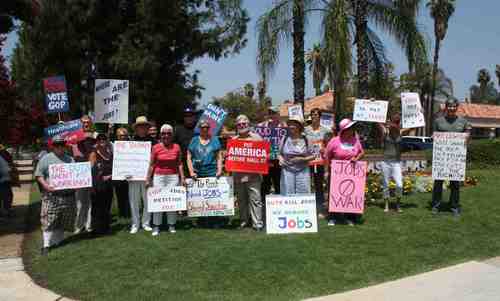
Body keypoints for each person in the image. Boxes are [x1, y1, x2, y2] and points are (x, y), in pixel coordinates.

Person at [34, 137, 76, 255]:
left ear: (65, 145)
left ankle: (59, 242)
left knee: (63, 219)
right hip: (52, 195)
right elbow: (39, 175)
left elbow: (76, 175)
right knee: (48, 219)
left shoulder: (70, 159)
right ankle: (46, 245)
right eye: (57, 145)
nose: (59, 147)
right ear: (53, 146)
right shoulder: (46, 159)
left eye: (61, 144)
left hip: (68, 195)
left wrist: (77, 184)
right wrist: (46, 186)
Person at [431, 99, 472, 216]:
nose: (452, 108)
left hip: (456, 158)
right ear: (446, 107)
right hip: (441, 157)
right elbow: (434, 134)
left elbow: (468, 133)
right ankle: (435, 205)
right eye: (449, 106)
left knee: (455, 184)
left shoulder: (463, 122)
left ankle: (454, 206)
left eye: (454, 106)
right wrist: (434, 136)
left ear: (457, 107)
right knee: (438, 183)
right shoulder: (438, 121)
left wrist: (468, 135)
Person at [324, 118, 365, 226]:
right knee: (334, 195)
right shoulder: (334, 141)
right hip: (336, 173)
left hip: (351, 174)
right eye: (350, 127)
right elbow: (327, 156)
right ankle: (333, 217)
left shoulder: (355, 140)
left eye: (352, 127)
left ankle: (349, 218)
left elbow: (362, 152)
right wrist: (326, 171)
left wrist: (356, 158)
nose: (352, 129)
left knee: (350, 195)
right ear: (344, 130)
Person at [146, 124, 185, 236]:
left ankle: (171, 225)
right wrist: (148, 179)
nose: (166, 135)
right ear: (160, 135)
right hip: (158, 177)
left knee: (171, 203)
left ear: (172, 135)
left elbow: (180, 164)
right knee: (157, 202)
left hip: (173, 177)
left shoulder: (177, 147)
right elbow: (152, 165)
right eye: (163, 133)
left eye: (168, 133)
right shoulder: (156, 147)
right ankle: (156, 226)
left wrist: (182, 178)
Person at [186, 120, 224, 228]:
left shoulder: (215, 139)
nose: (205, 129)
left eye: (207, 127)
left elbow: (219, 156)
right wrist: (191, 171)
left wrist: (220, 169)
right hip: (198, 173)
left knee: (213, 197)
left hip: (211, 172)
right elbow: (188, 156)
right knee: (199, 198)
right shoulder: (194, 140)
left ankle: (214, 220)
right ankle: (201, 220)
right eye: (203, 127)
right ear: (199, 128)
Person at [232, 115, 264, 231]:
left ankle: (257, 223)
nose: (242, 126)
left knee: (255, 200)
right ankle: (244, 221)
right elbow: (231, 159)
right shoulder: (233, 140)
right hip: (238, 176)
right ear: (236, 126)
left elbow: (264, 155)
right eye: (239, 124)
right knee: (241, 200)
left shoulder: (257, 138)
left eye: (244, 124)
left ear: (248, 125)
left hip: (254, 176)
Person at [377, 114, 411, 213]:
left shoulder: (401, 132)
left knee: (399, 184)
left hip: (396, 162)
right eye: (394, 121)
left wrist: (420, 113)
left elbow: (415, 125)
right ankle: (386, 205)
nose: (396, 123)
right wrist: (372, 104)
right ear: (390, 121)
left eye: (397, 121)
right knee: (386, 184)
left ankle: (398, 204)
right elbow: (375, 120)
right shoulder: (385, 131)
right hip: (385, 162)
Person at [129, 116, 156, 234]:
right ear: (136, 128)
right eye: (139, 126)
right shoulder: (130, 141)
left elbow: (155, 159)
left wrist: (150, 176)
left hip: (147, 176)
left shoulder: (154, 142)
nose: (142, 128)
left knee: (147, 201)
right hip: (133, 176)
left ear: (147, 128)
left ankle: (146, 223)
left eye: (144, 126)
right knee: (134, 201)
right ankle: (135, 224)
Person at [304, 108, 332, 213]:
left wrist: (324, 149)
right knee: (306, 184)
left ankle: (319, 209)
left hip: (320, 161)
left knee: (318, 185)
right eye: (312, 114)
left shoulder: (326, 130)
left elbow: (330, 145)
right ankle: (307, 208)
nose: (314, 116)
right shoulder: (305, 130)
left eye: (316, 114)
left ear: (320, 116)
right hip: (307, 161)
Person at [279, 117, 315, 195]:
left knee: (303, 194)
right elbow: (279, 154)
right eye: (290, 124)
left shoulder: (306, 139)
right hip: (287, 170)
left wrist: (302, 159)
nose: (291, 126)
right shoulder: (284, 138)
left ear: (299, 126)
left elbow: (314, 155)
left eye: (294, 124)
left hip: (303, 171)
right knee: (288, 193)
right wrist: (281, 160)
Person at [73, 115, 97, 234]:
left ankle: (88, 225)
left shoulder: (95, 135)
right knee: (79, 201)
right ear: (80, 123)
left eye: (88, 122)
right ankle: (79, 225)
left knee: (89, 201)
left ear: (91, 123)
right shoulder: (74, 136)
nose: (86, 124)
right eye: (83, 122)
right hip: (78, 172)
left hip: (91, 170)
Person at [258, 106, 286, 199]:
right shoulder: (261, 126)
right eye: (270, 113)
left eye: (273, 113)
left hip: (279, 160)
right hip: (266, 160)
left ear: (278, 114)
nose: (271, 115)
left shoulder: (283, 126)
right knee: (265, 184)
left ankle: (279, 205)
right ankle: (263, 205)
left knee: (278, 183)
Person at [89, 133, 114, 235]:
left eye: (104, 138)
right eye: (100, 139)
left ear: (107, 140)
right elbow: (91, 171)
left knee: (107, 207)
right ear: (97, 141)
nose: (102, 140)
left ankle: (106, 228)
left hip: (108, 185)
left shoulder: (110, 153)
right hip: (97, 185)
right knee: (97, 208)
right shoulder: (93, 154)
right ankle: (96, 230)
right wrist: (98, 180)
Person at [113, 127, 131, 218]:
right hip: (118, 174)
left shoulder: (131, 145)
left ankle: (128, 213)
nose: (122, 137)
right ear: (117, 136)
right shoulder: (113, 146)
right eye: (120, 136)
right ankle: (121, 213)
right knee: (119, 194)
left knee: (128, 194)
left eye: (124, 135)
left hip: (129, 174)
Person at [174, 106, 197, 170]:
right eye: (186, 116)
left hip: (198, 163)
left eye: (190, 116)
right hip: (183, 163)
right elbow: (174, 146)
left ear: (194, 117)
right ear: (184, 118)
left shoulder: (199, 129)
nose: (188, 118)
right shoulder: (178, 129)